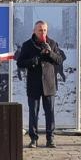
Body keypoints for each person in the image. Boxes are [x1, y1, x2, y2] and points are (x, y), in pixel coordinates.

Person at [15, 20, 66, 148]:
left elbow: (59, 60)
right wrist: (33, 61)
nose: (42, 32)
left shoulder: (52, 43)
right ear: (34, 31)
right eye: (39, 30)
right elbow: (20, 63)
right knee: (33, 112)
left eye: (44, 30)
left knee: (50, 112)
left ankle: (50, 139)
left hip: (49, 84)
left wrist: (50, 53)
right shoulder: (27, 45)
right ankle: (33, 138)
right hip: (34, 84)